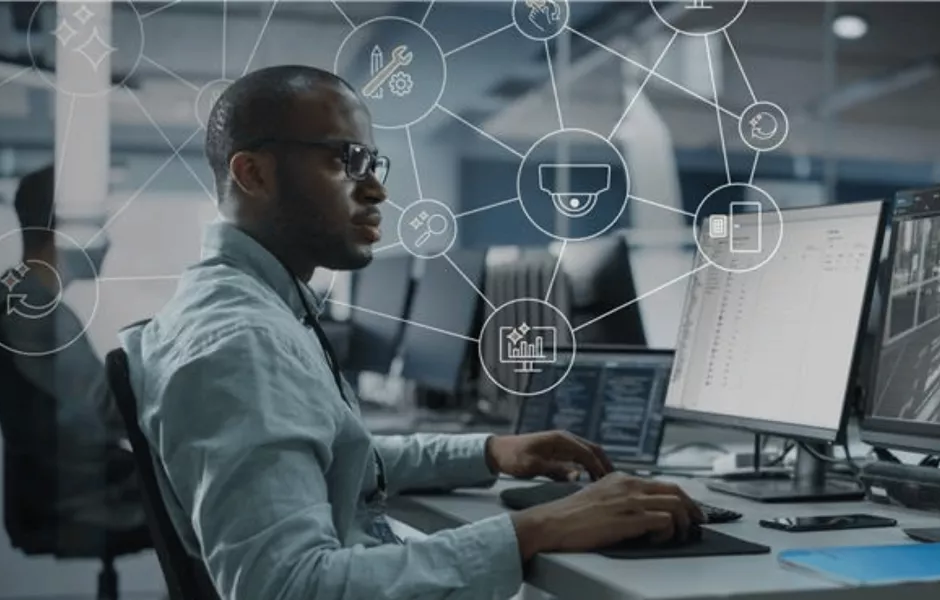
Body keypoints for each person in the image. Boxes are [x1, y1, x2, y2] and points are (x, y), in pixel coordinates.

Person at [119, 65, 704, 600]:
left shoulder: (247, 308)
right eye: (345, 159)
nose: (375, 189)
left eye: (373, 164)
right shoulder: (243, 340)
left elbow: (336, 457)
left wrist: (491, 451)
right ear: (253, 172)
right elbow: (287, 587)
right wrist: (538, 528)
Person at [0, 164, 145, 531]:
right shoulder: (36, 314)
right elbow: (111, 412)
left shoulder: (14, 296)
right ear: (67, 231)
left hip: (77, 478)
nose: (108, 239)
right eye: (98, 224)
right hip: (90, 491)